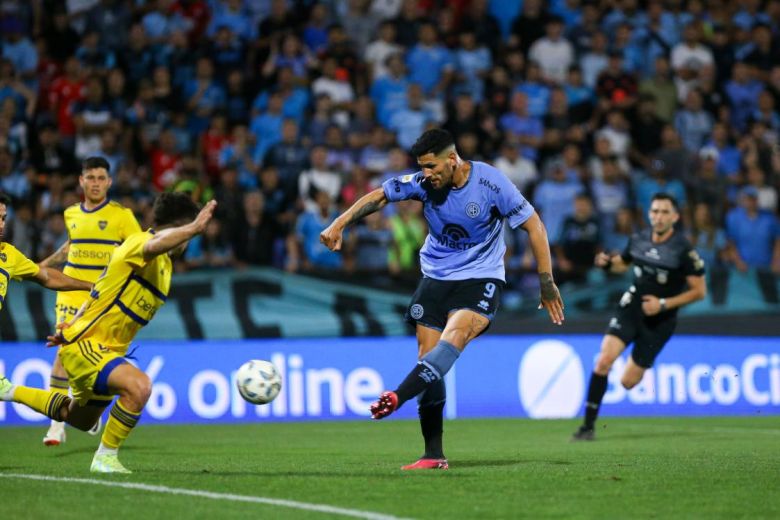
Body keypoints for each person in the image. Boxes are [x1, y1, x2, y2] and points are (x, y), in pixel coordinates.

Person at [320, 129, 564, 470]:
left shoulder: (492, 184)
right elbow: (379, 196)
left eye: (432, 166)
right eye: (422, 167)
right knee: (427, 357)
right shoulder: (423, 182)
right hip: (436, 277)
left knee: (454, 337)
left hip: (481, 277)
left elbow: (534, 226)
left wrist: (546, 281)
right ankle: (433, 455)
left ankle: (397, 396)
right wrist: (339, 223)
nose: (427, 174)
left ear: (452, 159)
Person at [0, 193, 217, 473]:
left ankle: (9, 390)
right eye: (187, 231)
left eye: (4, 217)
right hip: (88, 347)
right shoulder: (140, 243)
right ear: (179, 227)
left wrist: (71, 326)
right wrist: (193, 228)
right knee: (139, 386)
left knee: (80, 419)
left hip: (103, 349)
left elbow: (97, 293)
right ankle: (105, 458)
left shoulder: (164, 268)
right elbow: (155, 243)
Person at [572, 193, 706, 441]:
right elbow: (623, 264)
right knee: (603, 361)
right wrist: (606, 263)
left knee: (627, 383)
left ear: (675, 217)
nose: (659, 216)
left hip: (660, 319)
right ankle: (587, 427)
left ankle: (641, 363)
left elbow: (699, 291)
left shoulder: (684, 250)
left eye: (665, 212)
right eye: (655, 211)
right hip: (632, 306)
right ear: (649, 214)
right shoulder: (638, 239)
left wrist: (663, 303)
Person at [38, 156, 142, 447]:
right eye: (90, 177)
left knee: (93, 359)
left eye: (101, 178)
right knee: (64, 349)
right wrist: (40, 267)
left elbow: (139, 250)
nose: (95, 183)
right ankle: (56, 424)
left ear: (109, 182)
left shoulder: (123, 216)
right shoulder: (71, 213)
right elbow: (70, 247)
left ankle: (86, 413)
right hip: (71, 290)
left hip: (102, 297)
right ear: (81, 181)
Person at [0, 193, 92, 311]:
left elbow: (47, 277)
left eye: (3, 218)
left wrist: (90, 286)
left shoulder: (9, 253)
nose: (1, 225)